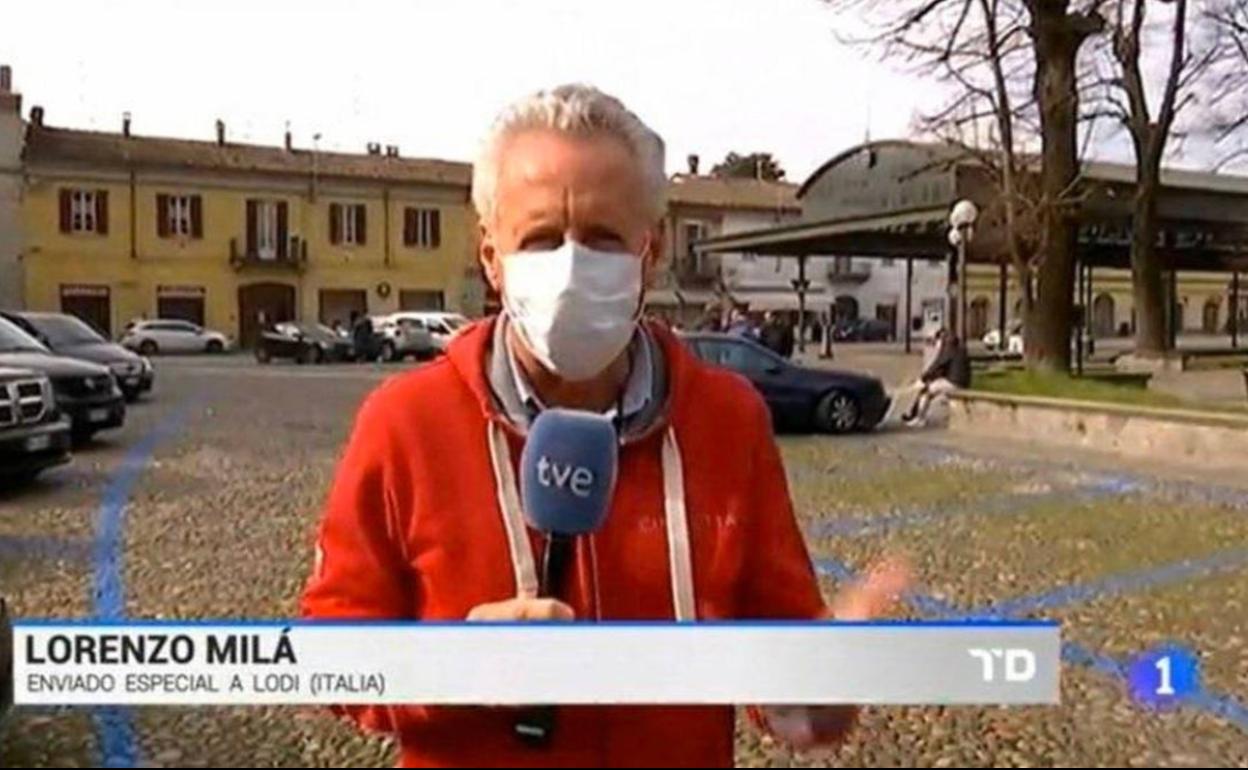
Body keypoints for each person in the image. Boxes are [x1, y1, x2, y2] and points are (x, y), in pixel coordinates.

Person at [301, 84, 907, 768]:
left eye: (601, 238)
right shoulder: (405, 422)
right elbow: (332, 652)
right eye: (538, 239)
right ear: (491, 259)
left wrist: (813, 691)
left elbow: (780, 639)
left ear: (649, 253)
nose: (568, 268)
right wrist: (455, 667)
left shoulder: (728, 420)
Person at [902, 327, 971, 425]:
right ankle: (915, 415)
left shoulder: (948, 347)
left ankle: (920, 418)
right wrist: (928, 378)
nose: (935, 345)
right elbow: (943, 368)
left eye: (935, 342)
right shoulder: (957, 347)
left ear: (940, 339)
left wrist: (923, 379)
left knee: (926, 391)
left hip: (954, 382)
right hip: (961, 381)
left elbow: (938, 364)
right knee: (932, 387)